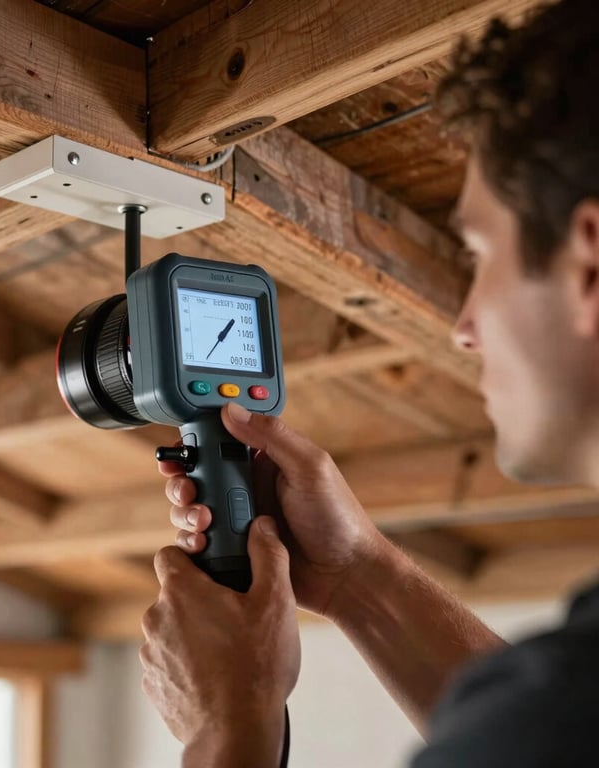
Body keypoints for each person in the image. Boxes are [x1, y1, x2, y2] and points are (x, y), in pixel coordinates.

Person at [139, 0, 599, 764]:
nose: (464, 327)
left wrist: (228, 724)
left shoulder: (559, 711)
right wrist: (356, 575)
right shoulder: (562, 708)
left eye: (483, 256)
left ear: (589, 264)